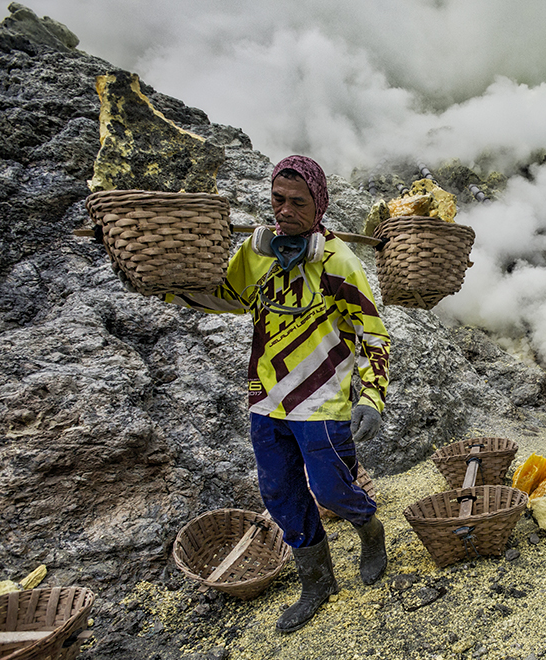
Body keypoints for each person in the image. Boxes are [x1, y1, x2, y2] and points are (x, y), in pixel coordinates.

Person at [153, 155, 391, 633]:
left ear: (318, 205)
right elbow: (231, 296)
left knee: (330, 488)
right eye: (277, 200)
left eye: (297, 203)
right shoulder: (257, 252)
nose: (284, 211)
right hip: (267, 397)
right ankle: (318, 582)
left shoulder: (338, 262)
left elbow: (373, 335)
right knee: (280, 492)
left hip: (323, 398)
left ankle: (370, 530)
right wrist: (166, 287)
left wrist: (371, 397)